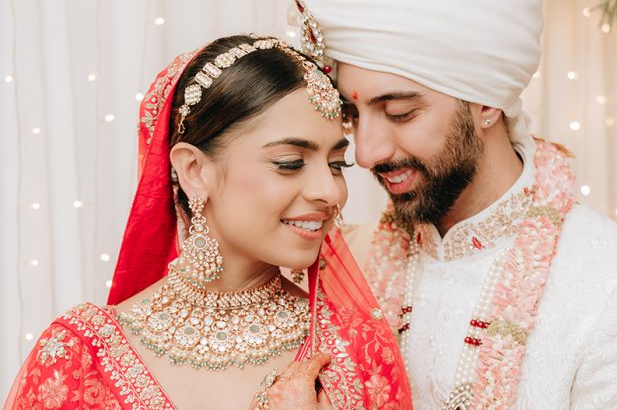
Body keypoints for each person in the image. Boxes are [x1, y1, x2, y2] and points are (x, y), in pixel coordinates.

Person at [280, 0, 617, 409]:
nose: (367, 153)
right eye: (354, 118)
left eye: (399, 112)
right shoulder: (343, 264)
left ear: (486, 102)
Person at [4, 34, 411, 410]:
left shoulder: (358, 350)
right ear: (195, 170)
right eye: (290, 163)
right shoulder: (79, 356)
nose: (330, 191)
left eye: (337, 164)